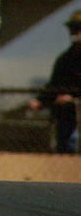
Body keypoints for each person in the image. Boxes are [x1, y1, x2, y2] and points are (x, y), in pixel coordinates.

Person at [28, 10, 81, 153]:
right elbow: (53, 86)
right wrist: (40, 101)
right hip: (67, 120)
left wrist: (73, 99)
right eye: (73, 29)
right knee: (66, 153)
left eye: (78, 29)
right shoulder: (65, 59)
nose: (75, 33)